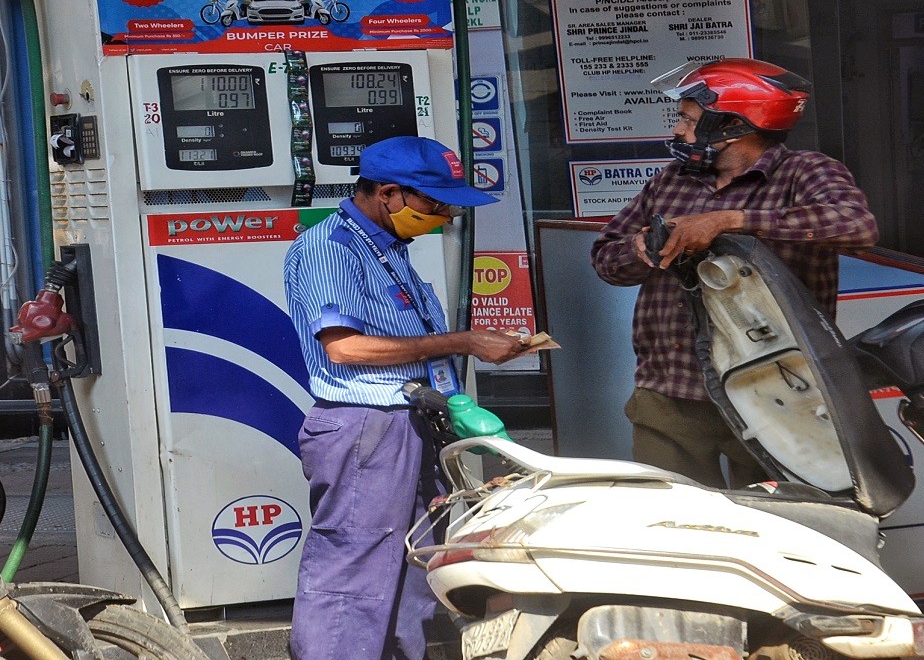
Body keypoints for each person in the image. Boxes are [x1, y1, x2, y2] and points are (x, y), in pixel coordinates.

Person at [283, 135, 526, 660]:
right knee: (354, 572)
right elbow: (345, 348)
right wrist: (463, 341)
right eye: (435, 204)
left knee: (417, 565)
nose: (444, 216)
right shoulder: (331, 247)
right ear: (389, 194)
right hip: (368, 426)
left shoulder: (388, 248)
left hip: (410, 421)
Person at [591, 58, 879, 490]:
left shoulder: (805, 171)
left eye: (689, 120)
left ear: (732, 125)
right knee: (672, 518)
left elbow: (856, 226)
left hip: (779, 392)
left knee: (783, 517)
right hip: (671, 390)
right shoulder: (671, 181)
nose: (678, 130)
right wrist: (637, 250)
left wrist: (730, 221)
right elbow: (605, 258)